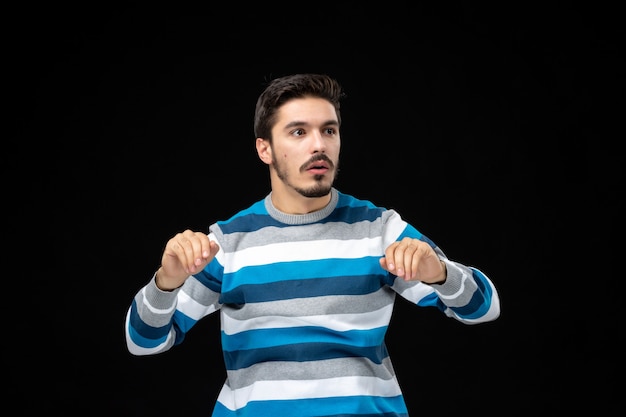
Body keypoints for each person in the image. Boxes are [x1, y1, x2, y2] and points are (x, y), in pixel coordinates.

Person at [125, 73, 501, 416]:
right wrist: (165, 281)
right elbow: (144, 343)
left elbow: (484, 309)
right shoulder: (225, 243)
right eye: (299, 132)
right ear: (265, 149)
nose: (319, 145)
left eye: (329, 131)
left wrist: (439, 273)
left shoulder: (379, 230)